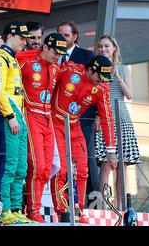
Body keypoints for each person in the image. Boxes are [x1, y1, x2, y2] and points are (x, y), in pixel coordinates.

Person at [50, 55, 116, 223]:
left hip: (74, 125)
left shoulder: (103, 87)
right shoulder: (69, 69)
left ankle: (77, 210)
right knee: (62, 169)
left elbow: (107, 118)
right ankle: (62, 211)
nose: (102, 81)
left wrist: (111, 151)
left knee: (82, 169)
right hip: (55, 121)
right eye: (100, 77)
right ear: (91, 69)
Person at [15, 33, 67, 223]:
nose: (58, 56)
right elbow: (2, 69)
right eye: (55, 52)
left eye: (61, 53)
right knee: (36, 166)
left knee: (47, 168)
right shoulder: (23, 58)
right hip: (30, 115)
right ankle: (33, 210)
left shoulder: (57, 66)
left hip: (48, 118)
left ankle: (33, 207)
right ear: (45, 47)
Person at [0, 21, 33, 225]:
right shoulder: (0, 58)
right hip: (8, 115)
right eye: (20, 38)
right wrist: (10, 116)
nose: (23, 42)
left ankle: (16, 209)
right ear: (8, 36)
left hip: (19, 114)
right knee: (8, 165)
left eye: (25, 39)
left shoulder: (13, 58)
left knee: (21, 167)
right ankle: (3, 209)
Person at [95, 35, 141, 208]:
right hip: (104, 118)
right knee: (105, 164)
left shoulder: (123, 69)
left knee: (123, 165)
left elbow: (129, 95)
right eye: (100, 46)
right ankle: (102, 206)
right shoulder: (96, 68)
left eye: (106, 46)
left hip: (122, 117)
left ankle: (121, 207)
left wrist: (117, 76)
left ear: (114, 48)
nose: (103, 49)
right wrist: (98, 116)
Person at [57, 21, 98, 203]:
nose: (62, 39)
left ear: (75, 37)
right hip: (57, 116)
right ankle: (62, 200)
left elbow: (96, 85)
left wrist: (96, 115)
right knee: (60, 160)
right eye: (60, 35)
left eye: (66, 35)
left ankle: (88, 203)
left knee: (84, 162)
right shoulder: (53, 54)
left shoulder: (86, 55)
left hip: (83, 117)